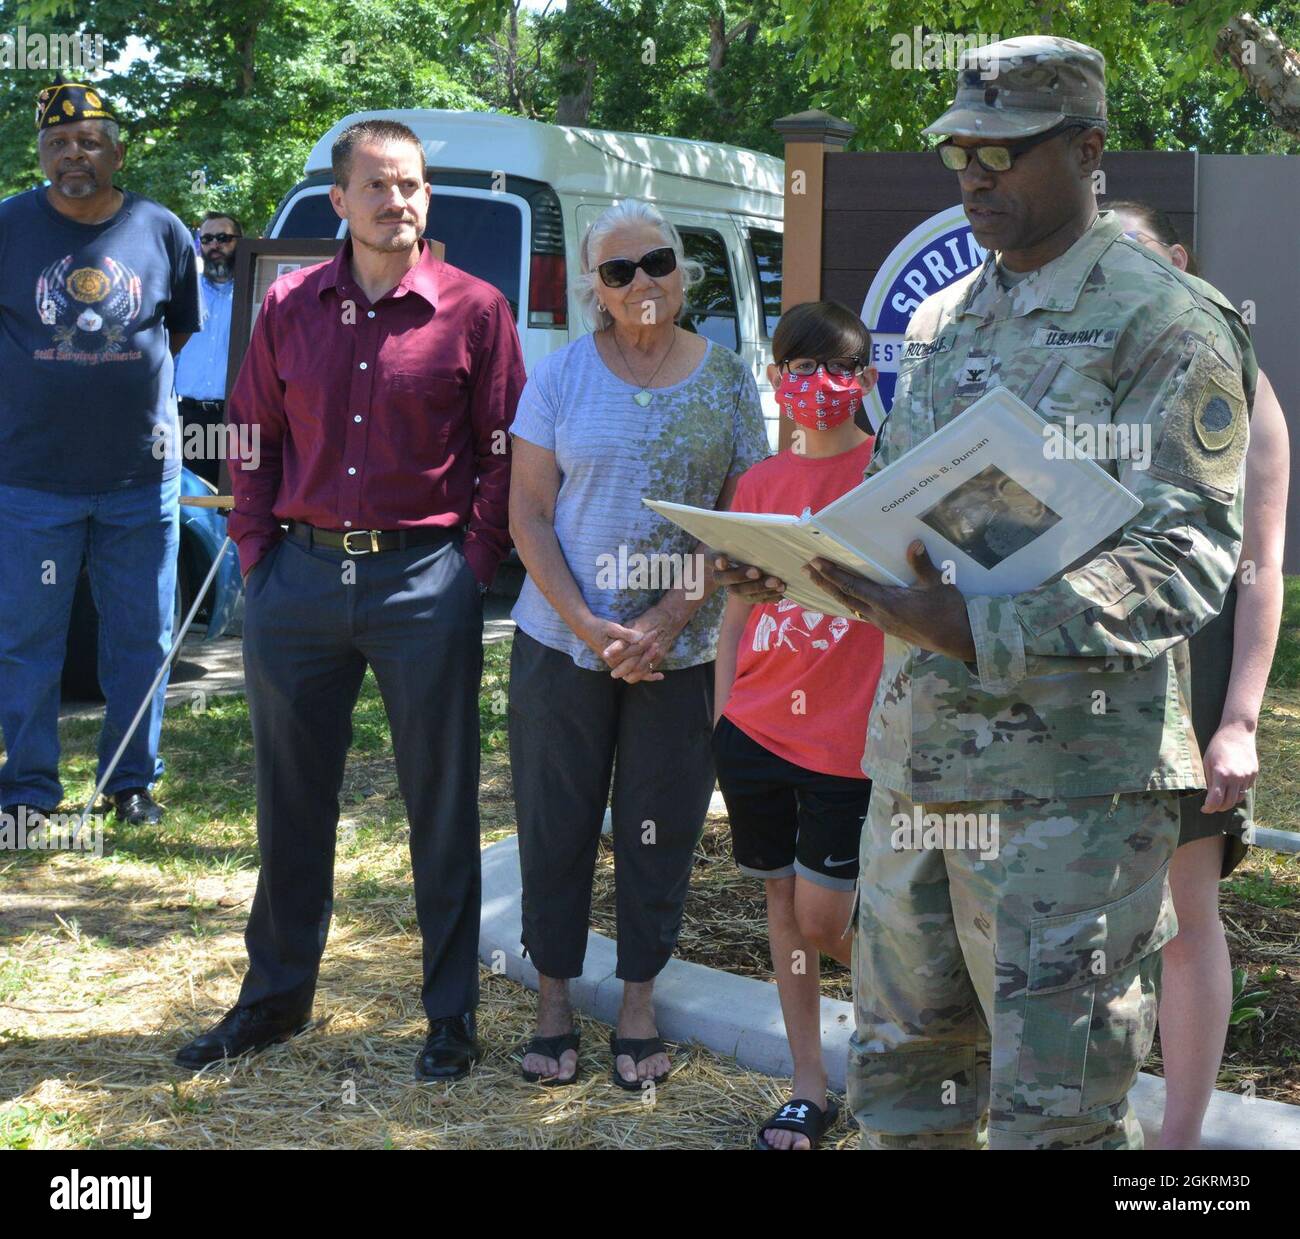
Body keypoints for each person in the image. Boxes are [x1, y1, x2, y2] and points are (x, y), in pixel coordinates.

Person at [718, 36, 1255, 1150]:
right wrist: (791, 563)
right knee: (907, 1083)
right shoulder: (964, 311)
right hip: (920, 767)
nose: (976, 176)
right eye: (963, 152)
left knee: (1048, 1114)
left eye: (1005, 153)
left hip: (1069, 793)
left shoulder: (1166, 321)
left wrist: (985, 624)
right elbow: (896, 508)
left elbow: (1189, 554)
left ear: (1087, 149)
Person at [174, 119, 525, 1080]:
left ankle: (449, 1015)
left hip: (425, 583)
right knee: (291, 803)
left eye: (410, 185)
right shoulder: (288, 306)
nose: (397, 201)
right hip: (295, 580)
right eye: (376, 187)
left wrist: (472, 563)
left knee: (440, 805)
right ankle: (275, 1000)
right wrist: (254, 553)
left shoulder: (477, 310)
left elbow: (505, 450)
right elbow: (249, 436)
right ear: (340, 201)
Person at [508, 199, 768, 1089]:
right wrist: (588, 623)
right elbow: (529, 513)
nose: (641, 282)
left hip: (679, 652)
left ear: (683, 271)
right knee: (557, 821)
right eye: (617, 272)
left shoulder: (729, 378)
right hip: (561, 643)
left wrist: (660, 621)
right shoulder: (559, 376)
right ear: (596, 290)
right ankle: (551, 1000)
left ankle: (638, 1004)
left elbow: (741, 517)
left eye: (655, 262)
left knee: (660, 829)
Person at [1108, 199, 1290, 1148]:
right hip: (1073, 688)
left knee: (1187, 910)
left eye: (1140, 259)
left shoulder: (1241, 385)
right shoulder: (1075, 360)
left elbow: (1261, 572)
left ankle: (1176, 1149)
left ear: (1179, 259)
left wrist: (1240, 721)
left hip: (1191, 684)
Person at [0, 78, 200, 831]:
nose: (72, 153)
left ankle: (131, 784)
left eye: (88, 140)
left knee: (141, 638)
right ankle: (26, 791)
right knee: (25, 643)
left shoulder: (161, 229)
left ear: (117, 149)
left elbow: (175, 331)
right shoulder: (9, 226)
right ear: (42, 154)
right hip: (28, 479)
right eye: (57, 142)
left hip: (139, 480)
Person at [712, 301, 884, 1149]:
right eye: (798, 368)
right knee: (783, 906)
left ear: (868, 379)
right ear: (776, 378)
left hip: (847, 744)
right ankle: (809, 1083)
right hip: (756, 730)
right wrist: (721, 713)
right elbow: (737, 618)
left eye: (836, 367)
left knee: (827, 920)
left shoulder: (890, 478)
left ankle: (929, 1031)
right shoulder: (759, 484)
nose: (816, 385)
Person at [174, 211, 242, 486]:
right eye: (207, 239)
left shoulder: (260, 294)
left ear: (241, 241)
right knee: (194, 506)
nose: (215, 245)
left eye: (223, 238)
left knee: (241, 501)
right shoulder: (183, 292)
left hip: (241, 419)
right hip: (190, 418)